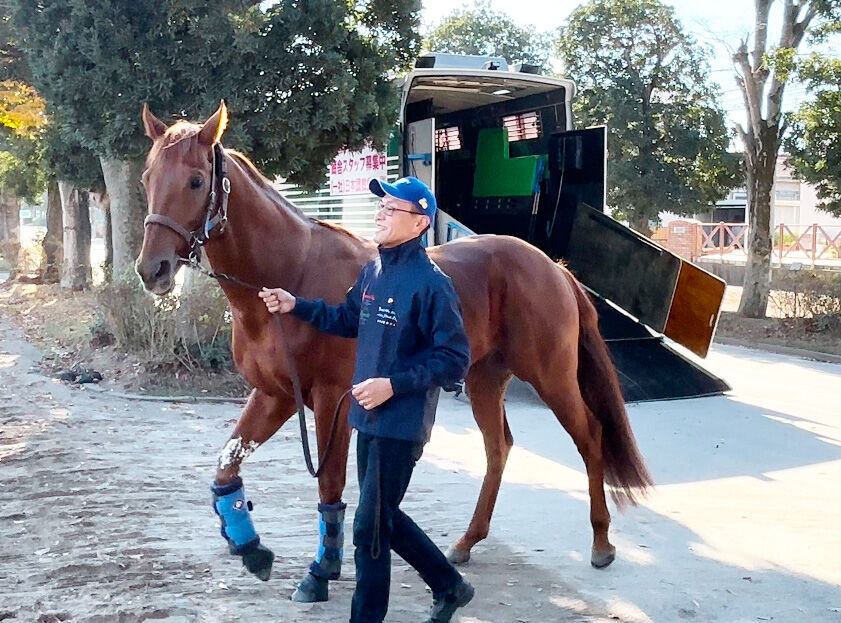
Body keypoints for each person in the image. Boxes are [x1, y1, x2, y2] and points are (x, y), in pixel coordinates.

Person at [259, 176, 474, 623]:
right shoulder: (374, 271)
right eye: (381, 206)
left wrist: (393, 385)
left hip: (402, 422)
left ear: (419, 224)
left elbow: (454, 360)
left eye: (392, 208)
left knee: (368, 529)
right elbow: (345, 318)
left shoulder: (432, 285)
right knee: (382, 520)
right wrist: (293, 303)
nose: (381, 213)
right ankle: (450, 585)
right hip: (367, 419)